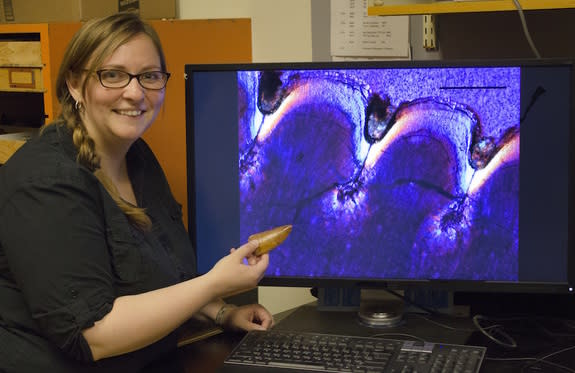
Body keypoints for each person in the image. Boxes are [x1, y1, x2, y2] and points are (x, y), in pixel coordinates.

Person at [0, 12, 273, 373]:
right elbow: (93, 336)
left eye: (149, 76)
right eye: (112, 75)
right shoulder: (46, 181)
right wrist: (213, 284)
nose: (135, 92)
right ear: (75, 85)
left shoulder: (137, 157)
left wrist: (223, 312)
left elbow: (167, 275)